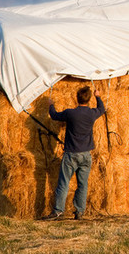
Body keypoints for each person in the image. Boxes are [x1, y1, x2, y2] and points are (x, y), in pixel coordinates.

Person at [41, 86, 105, 220]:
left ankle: (58, 211)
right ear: (88, 99)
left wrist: (51, 105)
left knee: (64, 183)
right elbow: (102, 109)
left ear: (77, 98)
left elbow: (54, 115)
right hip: (86, 155)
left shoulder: (70, 113)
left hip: (71, 154)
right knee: (83, 184)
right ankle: (79, 212)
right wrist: (98, 96)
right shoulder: (92, 113)